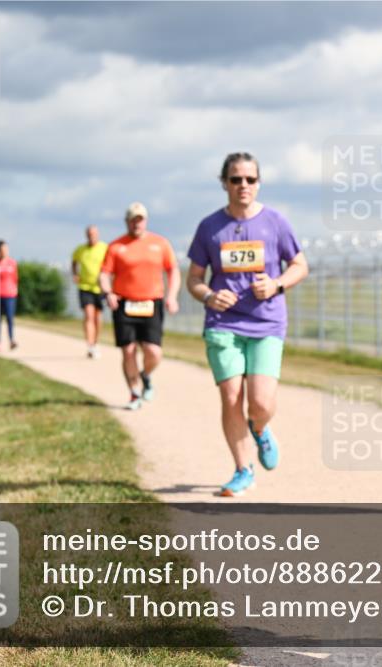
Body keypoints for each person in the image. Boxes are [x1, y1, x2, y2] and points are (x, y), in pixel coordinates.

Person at [186, 152, 308, 497]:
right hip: (223, 323)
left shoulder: (275, 222)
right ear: (224, 183)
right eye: (236, 179)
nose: (243, 185)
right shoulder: (209, 227)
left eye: (250, 179)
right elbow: (194, 278)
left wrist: (276, 284)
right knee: (231, 397)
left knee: (260, 402)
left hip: (266, 323)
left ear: (258, 183)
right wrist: (209, 295)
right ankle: (243, 470)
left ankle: (261, 427)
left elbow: (299, 265)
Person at [99, 202, 181, 410]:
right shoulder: (116, 246)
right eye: (133, 219)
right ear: (127, 221)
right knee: (128, 351)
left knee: (153, 351)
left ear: (145, 221)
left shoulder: (160, 244)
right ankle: (134, 394)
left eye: (140, 219)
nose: (137, 223)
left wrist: (172, 296)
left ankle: (145, 375)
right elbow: (104, 274)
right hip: (124, 302)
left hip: (151, 302)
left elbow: (173, 271)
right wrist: (108, 293)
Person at [72, 225, 109, 358]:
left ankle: (96, 342)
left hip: (99, 288)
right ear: (86, 235)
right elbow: (74, 262)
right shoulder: (80, 250)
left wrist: (105, 277)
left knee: (98, 317)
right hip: (84, 287)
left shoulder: (104, 248)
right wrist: (75, 274)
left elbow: (110, 264)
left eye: (93, 234)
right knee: (89, 315)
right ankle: (90, 345)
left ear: (97, 234)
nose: (91, 236)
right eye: (89, 234)